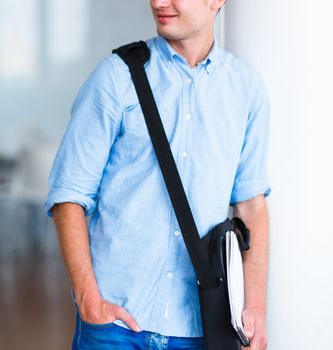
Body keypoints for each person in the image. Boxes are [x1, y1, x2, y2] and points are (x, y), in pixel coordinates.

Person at [45, 0, 271, 349]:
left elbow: (251, 206)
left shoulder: (245, 89)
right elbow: (68, 194)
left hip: (199, 329)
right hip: (114, 325)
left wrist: (254, 307)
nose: (157, 2)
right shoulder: (115, 76)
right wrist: (89, 298)